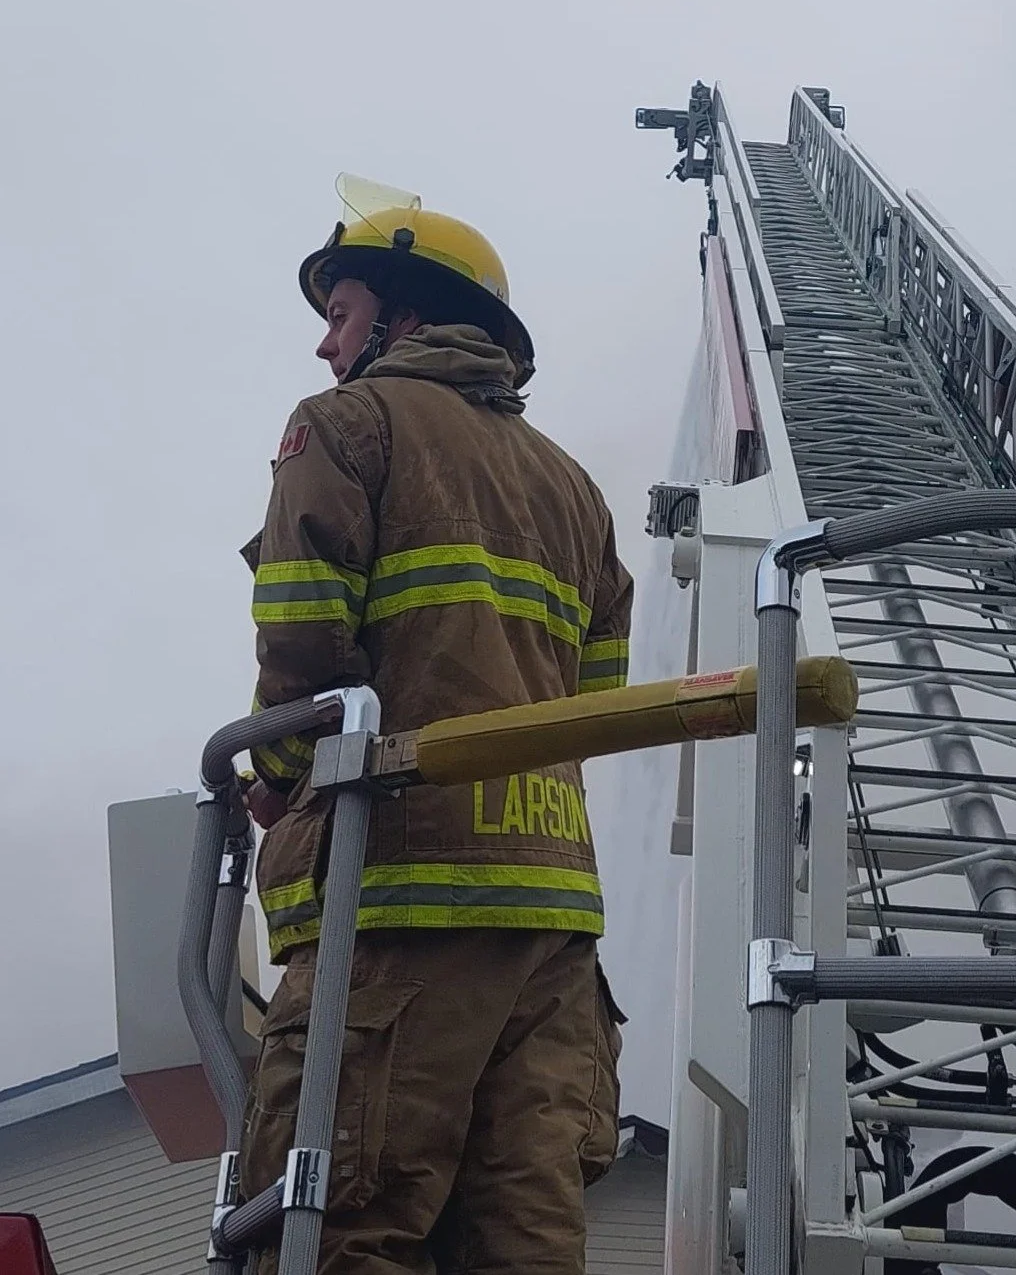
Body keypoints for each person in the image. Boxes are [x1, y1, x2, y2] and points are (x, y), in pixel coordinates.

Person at [237, 179, 633, 1274]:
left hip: (394, 903)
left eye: (342, 314)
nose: (325, 348)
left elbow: (304, 645)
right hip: (552, 933)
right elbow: (598, 702)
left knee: (336, 1230)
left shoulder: (346, 425)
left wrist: (278, 777)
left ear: (405, 318)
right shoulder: (578, 491)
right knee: (522, 1242)